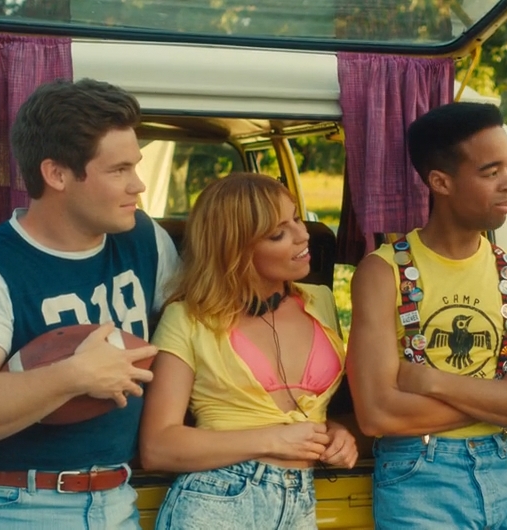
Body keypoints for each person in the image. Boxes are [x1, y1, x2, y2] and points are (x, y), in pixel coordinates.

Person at [0, 78, 179, 529]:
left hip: (117, 498)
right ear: (57, 174)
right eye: (118, 170)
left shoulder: (146, 240)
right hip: (6, 505)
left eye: (135, 167)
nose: (137, 185)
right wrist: (74, 375)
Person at [347, 102, 507, 529]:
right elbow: (378, 414)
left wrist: (433, 382)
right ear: (441, 182)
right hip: (418, 478)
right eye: (490, 172)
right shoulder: (382, 273)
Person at [141, 172, 358, 530]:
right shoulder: (187, 318)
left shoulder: (319, 301)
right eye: (278, 233)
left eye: (297, 219)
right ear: (235, 249)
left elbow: (310, 411)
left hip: (299, 501)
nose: (303, 235)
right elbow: (158, 446)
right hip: (217, 499)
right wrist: (274, 439)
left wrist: (334, 433)